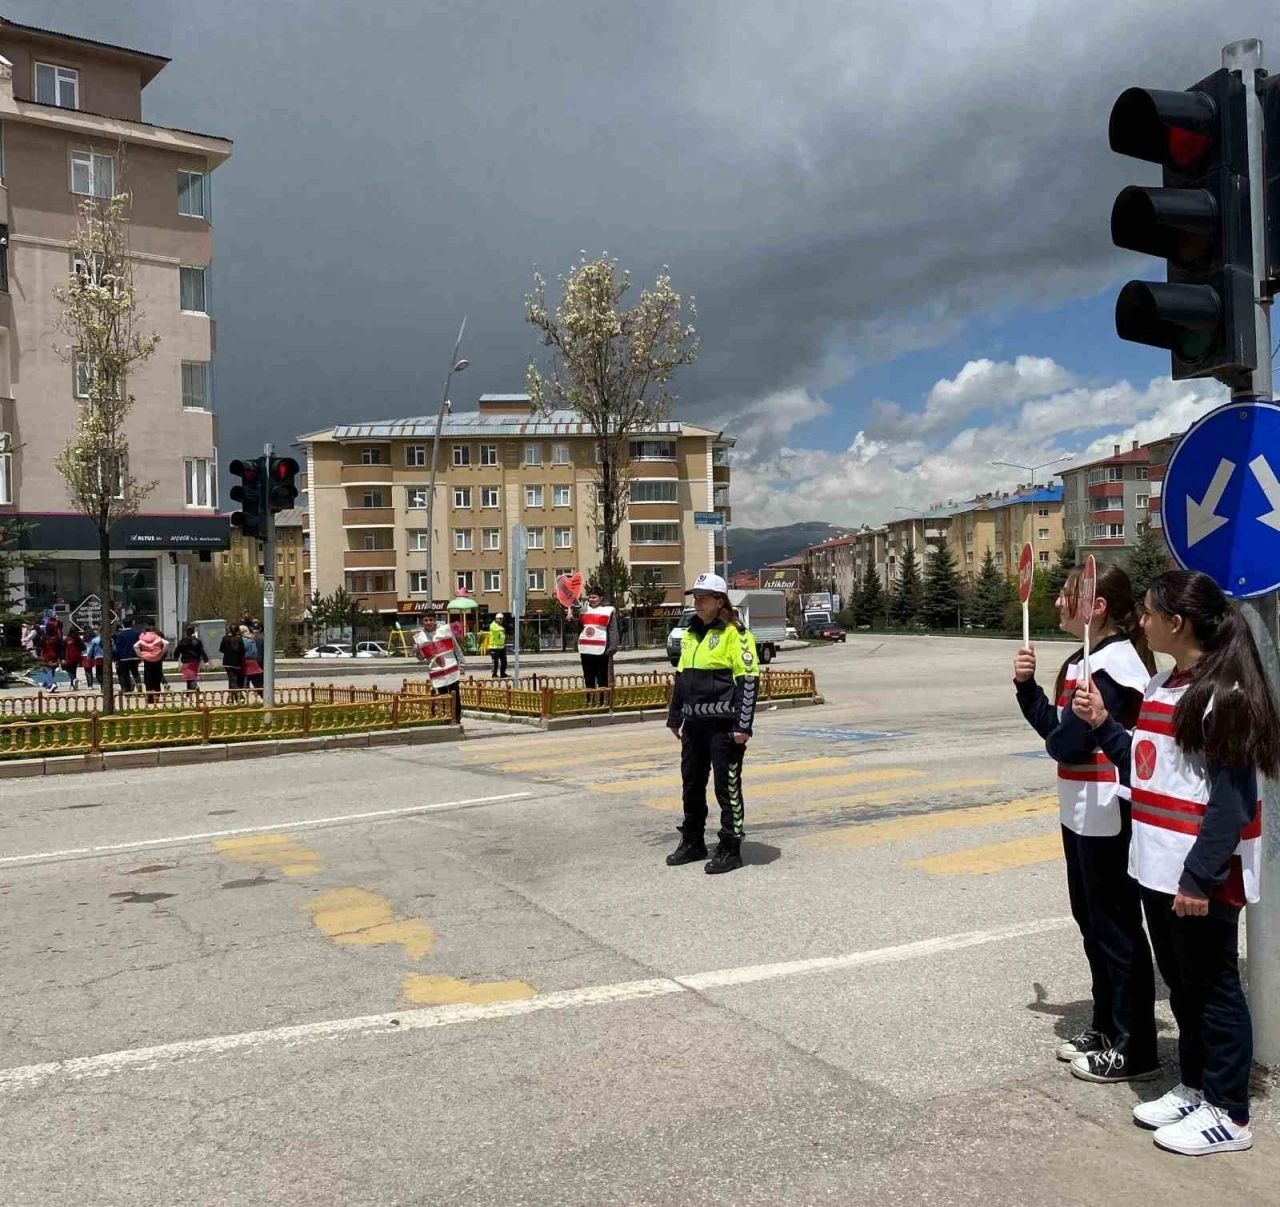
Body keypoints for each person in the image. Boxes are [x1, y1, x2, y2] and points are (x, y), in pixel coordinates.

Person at [1074, 570, 1280, 1156]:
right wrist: (1102, 725)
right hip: (1157, 867)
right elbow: (1144, 767)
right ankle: (1194, 1086)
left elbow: (1232, 801)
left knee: (1213, 989)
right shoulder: (1165, 683)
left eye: (1148, 612)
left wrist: (1199, 878)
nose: (1141, 622)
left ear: (1178, 622)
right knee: (1185, 988)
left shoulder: (1224, 694)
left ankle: (1229, 1112)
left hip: (1198, 875)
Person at [1013, 562, 1158, 1083]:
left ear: (1097, 607)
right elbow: (1057, 730)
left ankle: (1136, 1046)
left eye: (1067, 595)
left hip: (1107, 810)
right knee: (1092, 923)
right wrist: (1026, 687)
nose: (1057, 603)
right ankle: (1105, 1027)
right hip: (1079, 810)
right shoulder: (1084, 659)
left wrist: (1056, 729)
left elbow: (1066, 743)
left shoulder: (1115, 667)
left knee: (1116, 928)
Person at [665, 572, 759, 875]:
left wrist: (743, 725)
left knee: (726, 787)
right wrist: (675, 716)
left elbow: (748, 680)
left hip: (724, 725)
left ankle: (730, 847)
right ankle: (693, 840)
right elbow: (682, 677)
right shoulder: (691, 633)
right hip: (693, 724)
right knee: (692, 784)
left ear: (720, 601)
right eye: (695, 597)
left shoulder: (736, 634)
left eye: (703, 597)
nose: (698, 603)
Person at [578, 588, 619, 700]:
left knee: (602, 679)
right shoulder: (584, 610)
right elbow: (578, 628)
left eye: (594, 597)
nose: (591, 599)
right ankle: (589, 701)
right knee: (588, 679)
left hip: (601, 650)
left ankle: (603, 702)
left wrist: (612, 648)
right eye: (590, 597)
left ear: (601, 598)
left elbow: (613, 631)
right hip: (585, 650)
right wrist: (572, 617)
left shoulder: (608, 611)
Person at [421, 614, 464, 718]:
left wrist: (461, 665)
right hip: (437, 671)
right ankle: (446, 716)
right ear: (423, 621)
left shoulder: (445, 631)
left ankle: (456, 716)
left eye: (430, 619)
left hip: (451, 668)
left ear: (435, 620)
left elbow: (456, 649)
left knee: (454, 693)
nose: (428, 622)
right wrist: (417, 652)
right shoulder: (421, 637)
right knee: (442, 695)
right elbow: (421, 657)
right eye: (426, 620)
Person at [134, 622, 169, 700]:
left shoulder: (143, 636)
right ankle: (157, 696)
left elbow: (136, 646)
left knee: (148, 676)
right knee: (157, 676)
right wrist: (162, 653)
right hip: (158, 658)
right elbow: (166, 643)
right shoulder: (158, 635)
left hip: (147, 659)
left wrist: (140, 655)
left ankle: (150, 697)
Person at [174, 626, 209, 693]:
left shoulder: (183, 641)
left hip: (187, 662)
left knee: (190, 678)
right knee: (190, 678)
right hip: (196, 662)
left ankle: (195, 687)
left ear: (186, 632)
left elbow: (177, 651)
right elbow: (202, 651)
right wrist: (206, 660)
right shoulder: (197, 641)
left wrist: (176, 657)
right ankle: (188, 694)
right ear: (193, 632)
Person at [113, 617, 140, 692]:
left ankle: (128, 689)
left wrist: (116, 659)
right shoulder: (136, 633)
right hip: (134, 656)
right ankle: (138, 683)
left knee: (125, 674)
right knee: (135, 672)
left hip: (123, 657)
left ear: (123, 624)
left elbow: (118, 648)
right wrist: (139, 655)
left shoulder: (120, 635)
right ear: (131, 624)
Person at [219, 624, 245, 690]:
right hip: (237, 662)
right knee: (233, 678)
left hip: (227, 661)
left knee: (231, 679)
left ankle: (235, 693)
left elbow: (221, 649)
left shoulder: (225, 638)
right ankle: (234, 694)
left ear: (229, 630)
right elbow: (242, 651)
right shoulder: (240, 639)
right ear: (238, 630)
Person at [241, 626, 264, 694]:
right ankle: (262, 694)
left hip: (244, 661)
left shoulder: (242, 641)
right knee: (256, 681)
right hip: (253, 662)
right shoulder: (251, 640)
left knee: (242, 679)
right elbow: (255, 652)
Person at [488, 613, 508, 678]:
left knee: (504, 661)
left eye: (503, 619)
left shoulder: (501, 626)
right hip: (494, 647)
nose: (502, 621)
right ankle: (494, 674)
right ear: (498, 619)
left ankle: (503, 673)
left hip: (501, 647)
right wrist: (502, 629)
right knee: (495, 662)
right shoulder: (493, 625)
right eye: (501, 619)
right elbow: (495, 629)